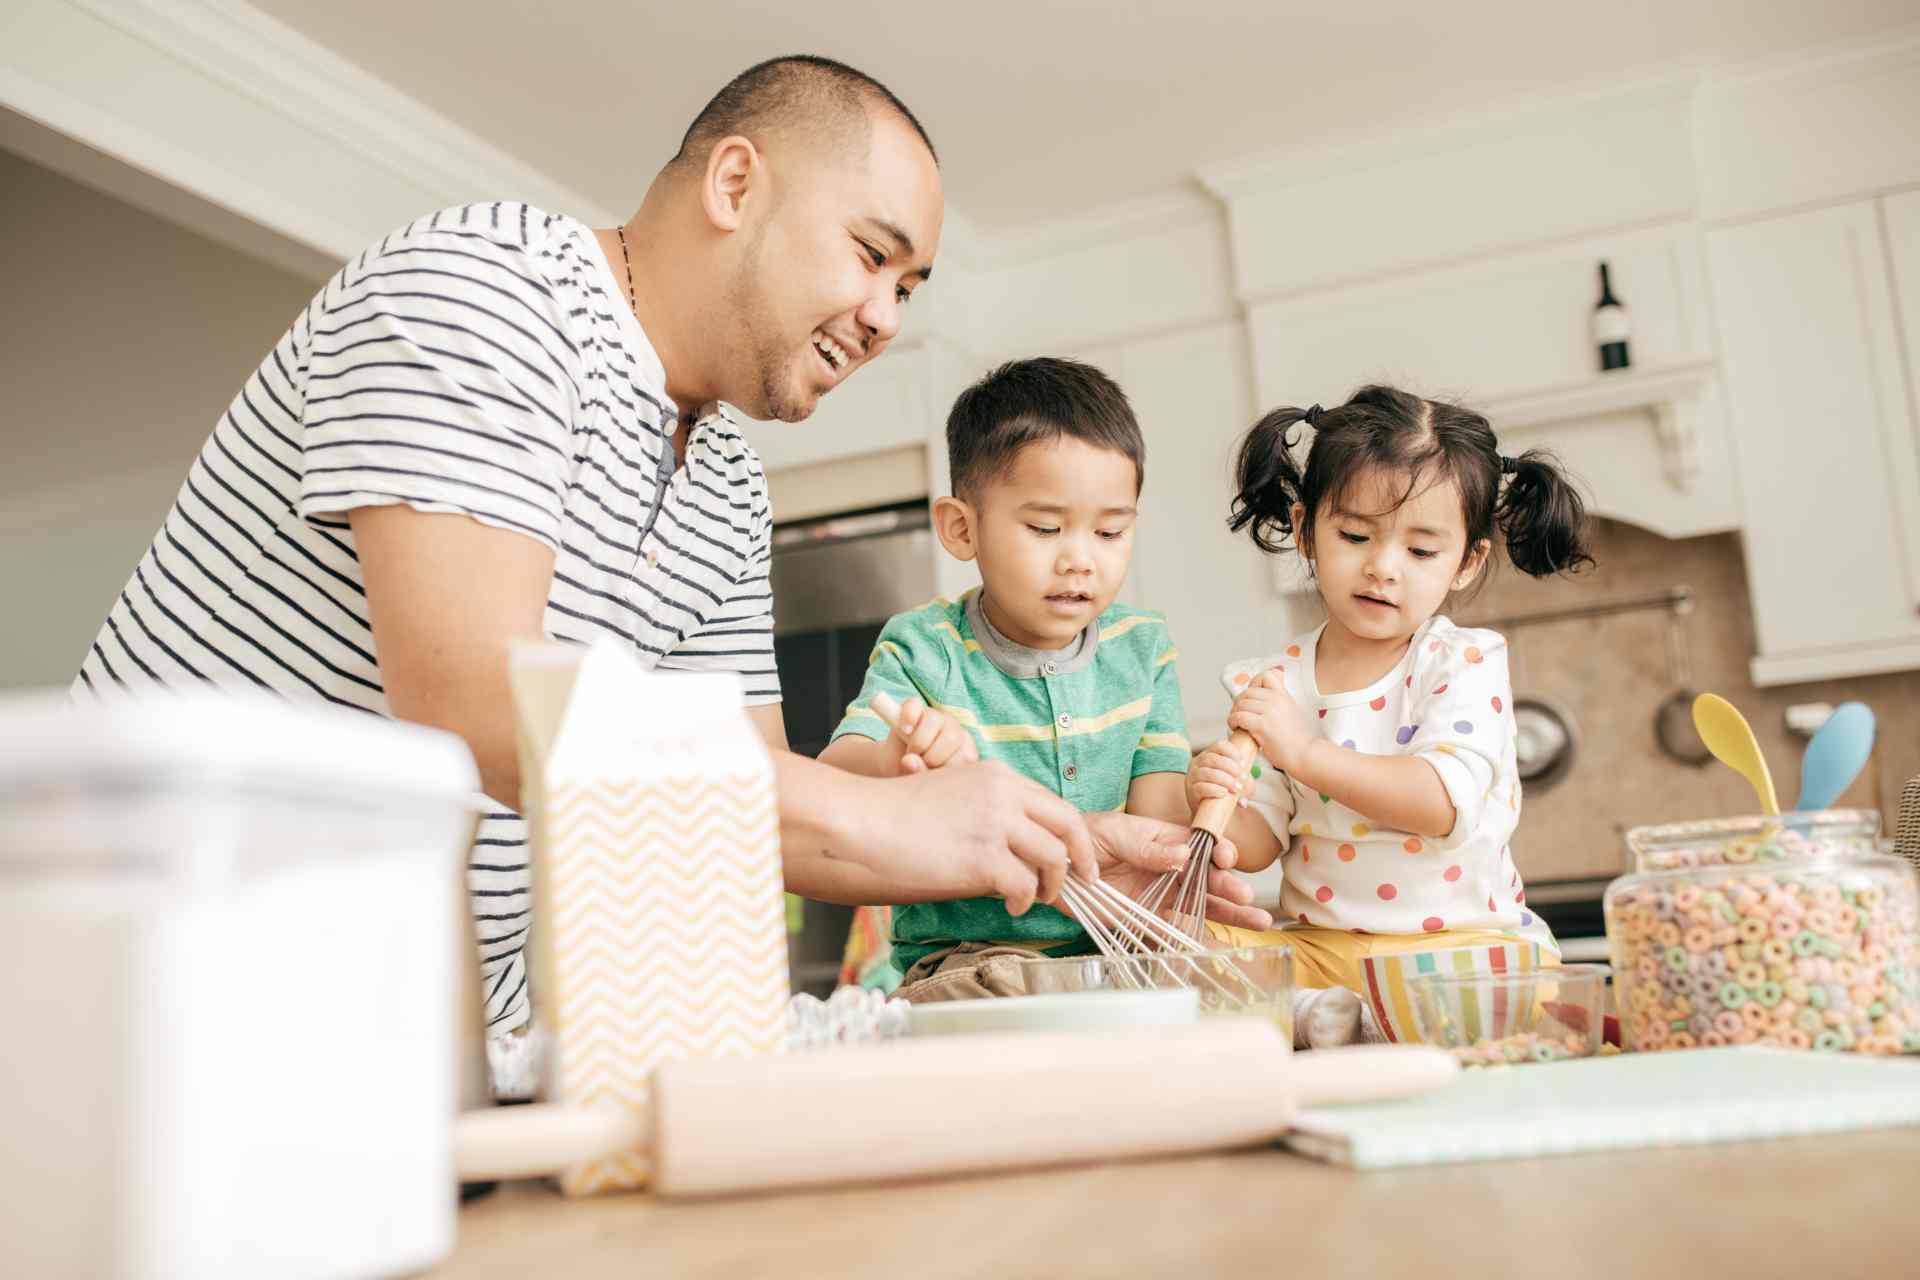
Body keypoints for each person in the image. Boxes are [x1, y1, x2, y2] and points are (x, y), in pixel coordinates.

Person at [70, 55, 1252, 1031]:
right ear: (736, 182)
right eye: (871, 254)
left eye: (913, 286)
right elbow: (474, 708)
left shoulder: (729, 482)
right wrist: (908, 816)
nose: (889, 316)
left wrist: (1070, 850)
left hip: (420, 1025)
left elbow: (759, 808)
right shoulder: (487, 287)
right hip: (150, 983)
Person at [823, 358, 1272, 1001]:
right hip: (968, 961)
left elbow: (1154, 829)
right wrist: (897, 761)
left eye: (1110, 530)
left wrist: (1206, 797)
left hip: (1114, 950)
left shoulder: (1141, 649)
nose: (1080, 559)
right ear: (961, 527)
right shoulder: (924, 651)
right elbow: (835, 779)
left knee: (1246, 998)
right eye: (1044, 528)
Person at [1186, 385, 1593, 1045]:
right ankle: (1352, 1022)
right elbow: (1256, 846)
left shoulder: (1461, 662)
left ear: (1466, 562)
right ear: (1304, 530)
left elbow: (1440, 804)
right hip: (1326, 954)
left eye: (1421, 551)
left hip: (1465, 953)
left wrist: (1305, 753)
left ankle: (1357, 1026)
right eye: (1354, 535)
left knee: (1506, 991)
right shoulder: (1274, 682)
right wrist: (1210, 791)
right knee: (1174, 944)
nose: (1382, 567)